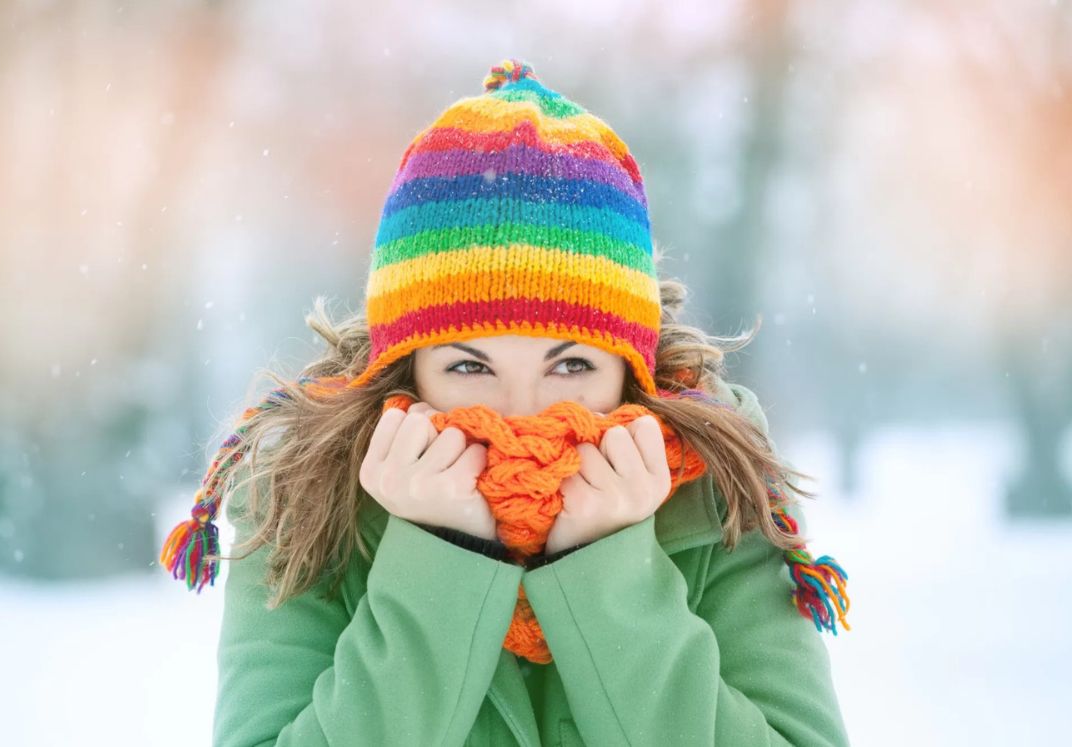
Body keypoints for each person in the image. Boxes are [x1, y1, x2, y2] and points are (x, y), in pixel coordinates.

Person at [161, 58, 851, 746]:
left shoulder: (719, 489)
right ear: (406, 370)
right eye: (469, 365)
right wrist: (439, 557)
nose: (521, 414)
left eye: (572, 364)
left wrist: (610, 576)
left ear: (629, 371)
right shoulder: (302, 497)